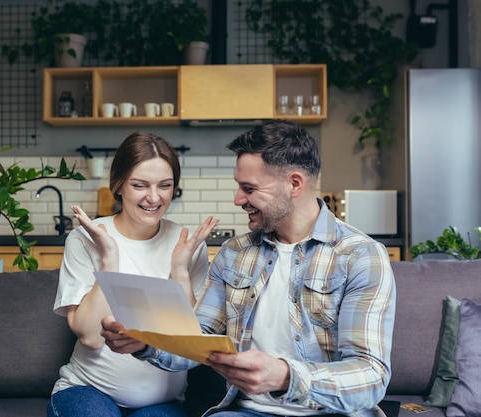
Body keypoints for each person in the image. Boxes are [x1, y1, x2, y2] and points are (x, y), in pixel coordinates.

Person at [102, 119, 397, 417]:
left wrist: (284, 376)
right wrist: (145, 342)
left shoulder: (360, 256)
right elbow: (198, 339)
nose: (237, 199)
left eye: (249, 188)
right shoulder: (236, 252)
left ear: (294, 184)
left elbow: (370, 376)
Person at [48, 131, 220, 417]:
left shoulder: (186, 244)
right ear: (119, 186)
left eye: (165, 186)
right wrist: (110, 260)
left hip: (163, 403)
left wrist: (179, 270)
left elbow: (192, 343)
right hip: (88, 390)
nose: (154, 198)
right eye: (140, 185)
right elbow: (91, 337)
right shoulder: (86, 238)